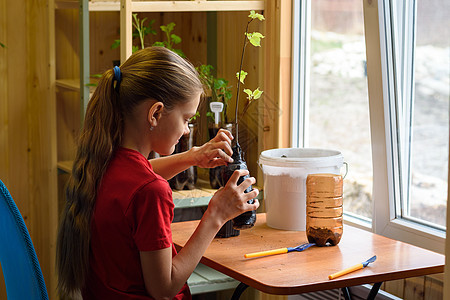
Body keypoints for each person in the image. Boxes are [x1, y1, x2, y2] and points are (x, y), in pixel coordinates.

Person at [55, 46, 259, 300]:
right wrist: (215, 215)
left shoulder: (101, 162)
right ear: (156, 113)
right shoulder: (151, 192)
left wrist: (191, 157)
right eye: (186, 119)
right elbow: (163, 288)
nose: (186, 130)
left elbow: (138, 179)